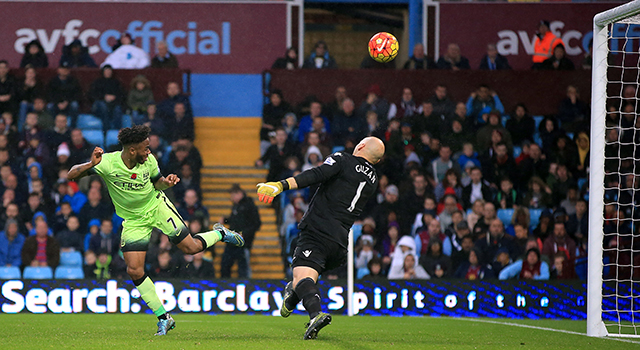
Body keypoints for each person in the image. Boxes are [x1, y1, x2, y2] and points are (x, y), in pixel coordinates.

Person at [66, 125, 244, 335]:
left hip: (157, 207)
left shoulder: (149, 161)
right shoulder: (108, 163)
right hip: (133, 220)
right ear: (132, 150)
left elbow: (156, 183)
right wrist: (90, 164)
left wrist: (166, 182)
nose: (149, 151)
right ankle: (164, 317)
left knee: (192, 248)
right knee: (134, 270)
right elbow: (71, 175)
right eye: (145, 148)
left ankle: (220, 233)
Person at [257, 136, 385, 339]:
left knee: (302, 277)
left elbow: (317, 174)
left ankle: (315, 314)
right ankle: (291, 298)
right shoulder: (373, 179)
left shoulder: (343, 159)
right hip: (340, 241)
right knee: (304, 276)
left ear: (360, 146)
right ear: (376, 161)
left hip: (318, 230)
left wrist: (281, 185)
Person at [220, 184, 261, 278]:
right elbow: (236, 221)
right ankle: (225, 284)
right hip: (231, 241)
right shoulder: (236, 206)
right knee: (225, 265)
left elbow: (256, 224)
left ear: (239, 193)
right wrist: (226, 220)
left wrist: (243, 234)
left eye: (233, 195)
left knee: (243, 268)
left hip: (243, 243)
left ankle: (245, 287)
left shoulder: (249, 206)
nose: (231, 198)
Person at [89, 65, 124, 132]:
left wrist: (114, 98)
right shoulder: (97, 82)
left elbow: (121, 95)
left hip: (113, 105)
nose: (108, 72)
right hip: (99, 106)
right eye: (106, 71)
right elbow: (91, 95)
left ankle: (117, 132)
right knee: (103, 107)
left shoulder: (116, 83)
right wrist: (104, 97)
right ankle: (106, 131)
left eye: (109, 71)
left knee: (118, 109)